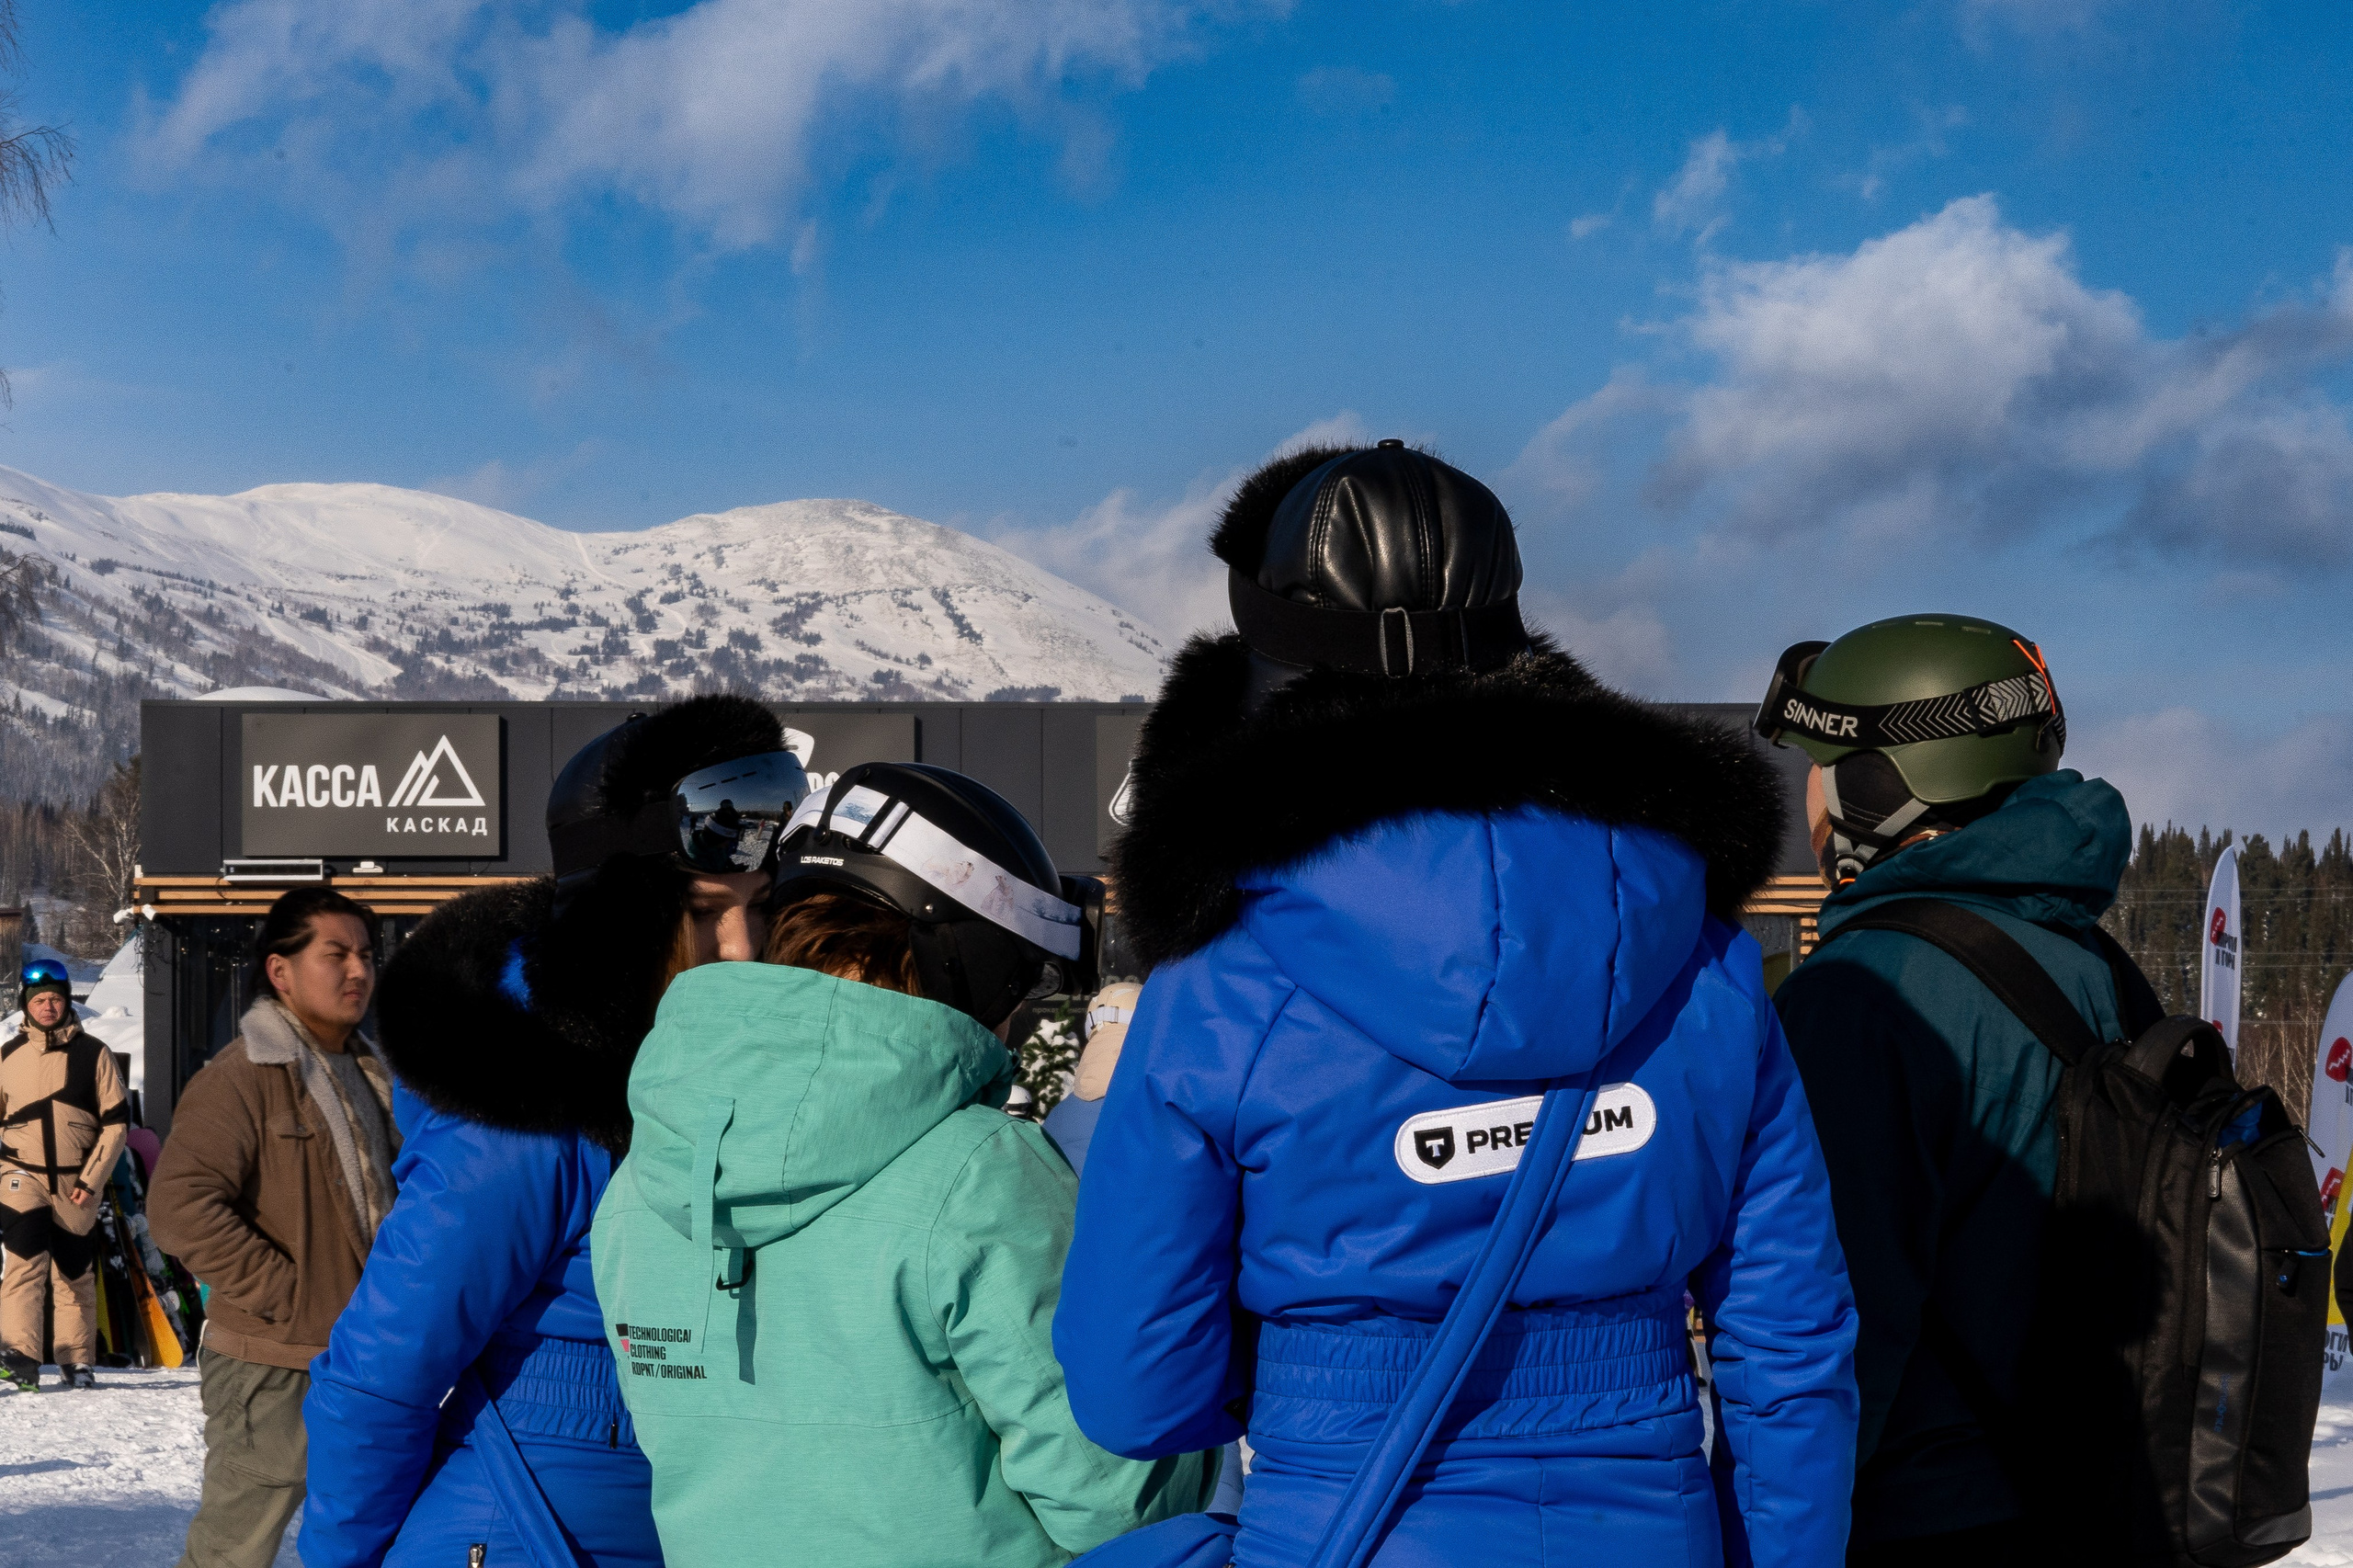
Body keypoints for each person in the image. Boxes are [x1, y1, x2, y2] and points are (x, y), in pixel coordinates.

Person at [1054, 439, 1860, 1567]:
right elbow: (1789, 1349)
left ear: (1267, 664)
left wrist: (1310, 1366)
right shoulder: (1707, 964)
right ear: (1514, 642)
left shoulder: (1218, 996)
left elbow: (1132, 1394)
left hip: (1347, 1521)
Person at [592, 762, 1215, 1568]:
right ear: (970, 956)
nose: (1020, 1020)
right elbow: (1119, 1497)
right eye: (1027, 982)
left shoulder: (645, 1177)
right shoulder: (981, 1171)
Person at [299, 694, 803, 1568]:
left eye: (756, 909)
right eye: (702, 915)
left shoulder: (700, 1072)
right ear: (618, 931)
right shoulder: (532, 1112)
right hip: (521, 1524)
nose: (743, 951)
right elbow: (381, 1374)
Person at [1758, 616, 2131, 1565]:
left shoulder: (1859, 995)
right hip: (2099, 1489)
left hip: (1921, 1511)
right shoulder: (2094, 964)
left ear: (1875, 786)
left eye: (1819, 762)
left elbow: (1829, 1322)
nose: (1804, 794)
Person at [148, 888, 395, 1568]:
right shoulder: (241, 1078)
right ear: (280, 970)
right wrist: (290, 1294)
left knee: (367, 1537)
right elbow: (178, 1207)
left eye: (367, 956)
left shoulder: (373, 1071)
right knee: (237, 1552)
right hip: (270, 1366)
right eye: (336, 954)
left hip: (363, 1355)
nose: (358, 971)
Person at [1, 956, 130, 1393]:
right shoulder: (8, 1056)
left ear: (67, 1001)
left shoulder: (95, 1053)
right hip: (23, 1175)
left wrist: (91, 1180)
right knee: (24, 1261)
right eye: (39, 1000)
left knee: (74, 1273)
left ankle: (77, 1361)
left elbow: (116, 1123)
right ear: (26, 1004)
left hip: (78, 1182)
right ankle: (20, 1356)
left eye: (55, 998)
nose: (48, 1007)